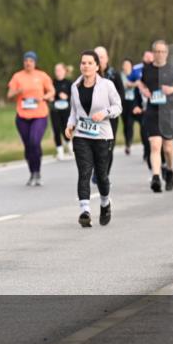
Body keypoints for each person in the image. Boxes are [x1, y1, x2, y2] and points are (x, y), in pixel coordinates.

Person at [65, 50, 122, 227]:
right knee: (84, 172)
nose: (86, 66)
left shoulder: (107, 85)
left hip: (103, 135)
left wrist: (104, 113)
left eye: (90, 63)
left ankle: (105, 203)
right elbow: (74, 111)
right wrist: (70, 125)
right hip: (81, 135)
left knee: (102, 175)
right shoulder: (75, 86)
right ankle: (85, 211)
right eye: (83, 63)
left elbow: (118, 107)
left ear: (97, 66)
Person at [140, 40, 173, 192]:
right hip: (152, 111)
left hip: (169, 112)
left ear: (167, 54)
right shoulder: (147, 69)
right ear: (153, 53)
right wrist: (143, 90)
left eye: (163, 51)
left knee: (168, 148)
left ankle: (169, 171)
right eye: (157, 51)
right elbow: (141, 83)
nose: (160, 54)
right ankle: (156, 177)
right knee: (155, 145)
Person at [7, 51, 55, 186]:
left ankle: (37, 172)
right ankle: (32, 173)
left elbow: (51, 91)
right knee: (28, 145)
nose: (28, 63)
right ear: (23, 62)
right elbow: (9, 95)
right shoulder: (17, 76)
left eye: (31, 61)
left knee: (34, 141)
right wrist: (18, 91)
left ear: (35, 62)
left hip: (40, 115)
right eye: (26, 61)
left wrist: (44, 97)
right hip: (22, 116)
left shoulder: (42, 75)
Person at [94, 46, 125, 177]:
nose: (99, 59)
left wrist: (112, 109)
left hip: (110, 116)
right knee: (94, 146)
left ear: (107, 58)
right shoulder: (89, 75)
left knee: (108, 146)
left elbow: (121, 95)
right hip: (93, 117)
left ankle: (104, 175)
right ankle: (96, 171)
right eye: (97, 57)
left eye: (101, 57)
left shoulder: (114, 74)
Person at [50, 63, 73, 161]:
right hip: (55, 110)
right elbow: (48, 94)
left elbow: (74, 97)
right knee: (56, 129)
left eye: (59, 70)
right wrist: (51, 97)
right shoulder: (51, 83)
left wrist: (67, 97)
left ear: (64, 71)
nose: (58, 72)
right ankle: (60, 152)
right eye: (56, 70)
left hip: (66, 110)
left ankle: (70, 148)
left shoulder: (69, 83)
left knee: (66, 129)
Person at [119, 58, 140, 155]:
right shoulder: (120, 76)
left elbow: (139, 83)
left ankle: (130, 142)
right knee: (125, 124)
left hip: (133, 103)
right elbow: (124, 85)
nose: (126, 66)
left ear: (131, 66)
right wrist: (133, 84)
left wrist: (133, 84)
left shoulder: (135, 75)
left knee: (130, 123)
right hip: (123, 103)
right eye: (125, 65)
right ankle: (127, 142)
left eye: (128, 65)